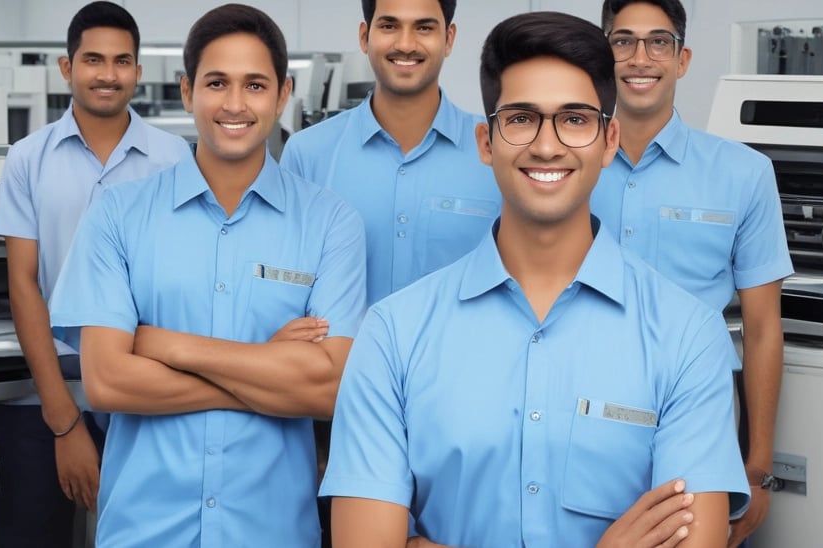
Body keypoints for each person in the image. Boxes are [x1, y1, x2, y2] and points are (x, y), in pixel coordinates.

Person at [320, 11, 751, 548]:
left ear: (608, 139)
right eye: (521, 119)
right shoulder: (393, 333)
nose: (547, 146)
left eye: (574, 119)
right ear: (486, 141)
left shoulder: (689, 335)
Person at [49, 4, 366, 547]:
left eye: (255, 85)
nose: (236, 104)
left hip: (270, 531)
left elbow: (330, 387)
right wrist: (268, 368)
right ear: (187, 90)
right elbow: (106, 382)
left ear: (283, 94)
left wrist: (164, 344)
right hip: (144, 530)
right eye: (217, 83)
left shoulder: (331, 222)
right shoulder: (118, 214)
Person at [591, 2, 793, 545]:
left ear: (682, 59)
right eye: (623, 41)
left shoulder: (744, 173)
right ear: (602, 54)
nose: (641, 58)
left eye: (659, 42)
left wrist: (757, 465)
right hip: (581, 402)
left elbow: (763, 328)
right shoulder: (566, 163)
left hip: (697, 413)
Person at [0, 2, 189, 546]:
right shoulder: (28, 158)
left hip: (144, 395)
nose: (108, 74)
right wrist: (64, 420)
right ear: (66, 67)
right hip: (43, 397)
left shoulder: (176, 160)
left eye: (122, 61)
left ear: (139, 73)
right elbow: (24, 284)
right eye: (93, 59)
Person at [281, 0, 501, 306]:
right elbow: (287, 283)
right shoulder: (308, 153)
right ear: (364, 37)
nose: (406, 44)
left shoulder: (499, 150)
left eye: (424, 27)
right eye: (389, 26)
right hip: (342, 354)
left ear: (449, 39)